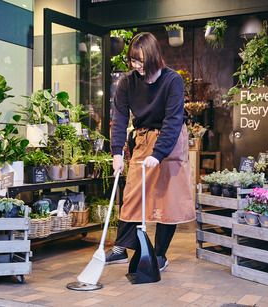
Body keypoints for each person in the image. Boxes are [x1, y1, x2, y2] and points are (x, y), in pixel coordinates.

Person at [107, 32, 195, 272]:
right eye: (133, 61)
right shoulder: (127, 82)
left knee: (168, 200)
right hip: (143, 137)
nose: (137, 66)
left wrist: (158, 154)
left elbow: (173, 120)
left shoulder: (172, 80)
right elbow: (120, 117)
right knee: (132, 194)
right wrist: (117, 152)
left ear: (155, 57)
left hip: (170, 140)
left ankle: (159, 255)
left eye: (142, 61)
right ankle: (120, 249)